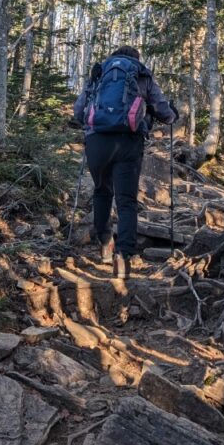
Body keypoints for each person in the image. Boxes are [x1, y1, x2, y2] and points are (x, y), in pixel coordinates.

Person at [73, 46, 177, 279]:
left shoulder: (100, 73)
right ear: (136, 59)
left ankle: (105, 244)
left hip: (97, 141)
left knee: (101, 191)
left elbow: (79, 110)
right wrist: (172, 115)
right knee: (126, 200)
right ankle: (123, 257)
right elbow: (163, 110)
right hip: (129, 141)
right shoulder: (141, 74)